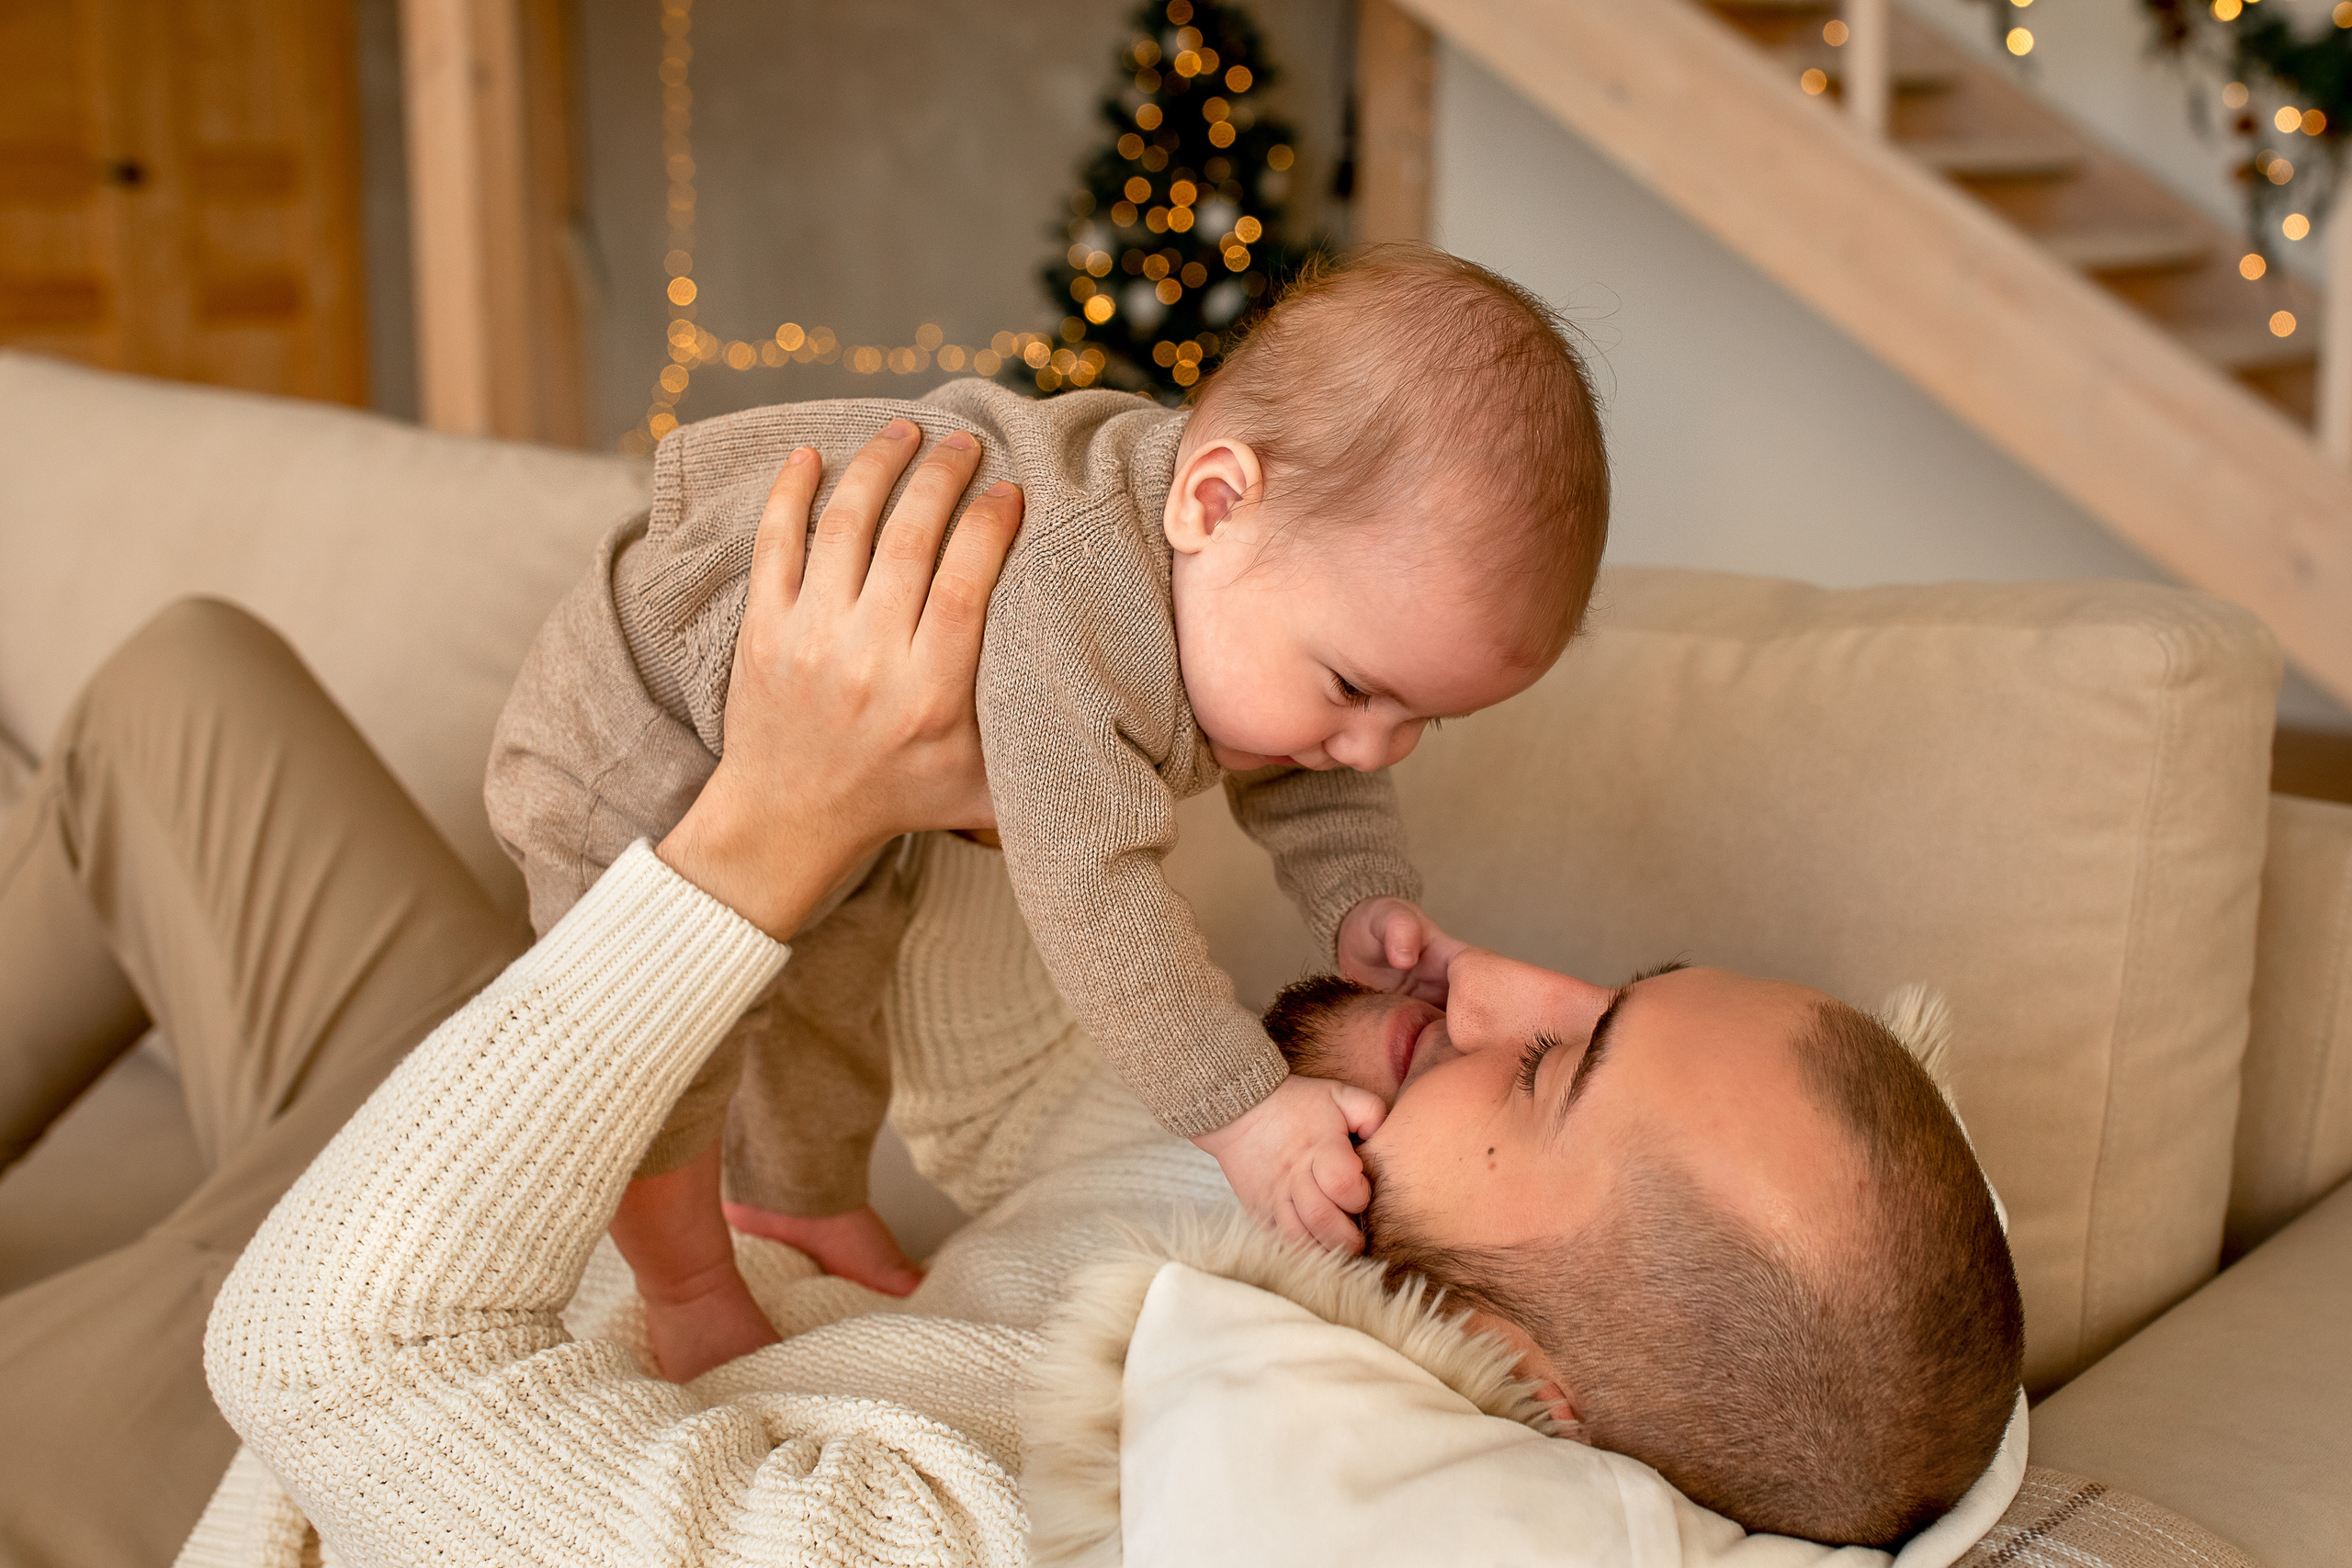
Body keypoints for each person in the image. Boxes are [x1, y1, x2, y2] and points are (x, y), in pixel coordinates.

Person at [0, 424, 2018, 1567]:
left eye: (1558, 1061)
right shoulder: (1295, 1193)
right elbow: (1007, 1077)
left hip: (263, 1411)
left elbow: (339, 1357)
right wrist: (1028, 688)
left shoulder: (1025, 1526)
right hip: (532, 1149)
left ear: (1540, 1380)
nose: (1484, 971)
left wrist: (776, 814)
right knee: (184, 683)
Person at [484, 243, 1613, 1373]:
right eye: (1353, 689)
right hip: (637, 716)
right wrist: (1244, 1113)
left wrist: (1361, 893)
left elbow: (1313, 771)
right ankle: (683, 1284)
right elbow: (1093, 894)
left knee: (833, 977)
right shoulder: (1080, 601)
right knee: (661, 1039)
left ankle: (795, 1199)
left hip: (833, 761)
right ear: (1211, 503)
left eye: (1420, 719)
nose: (1368, 746)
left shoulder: (1250, 584)